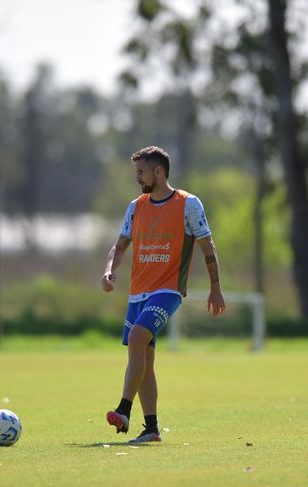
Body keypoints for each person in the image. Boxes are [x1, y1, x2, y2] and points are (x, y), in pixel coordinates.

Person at [101, 145, 226, 444]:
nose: (138, 178)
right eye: (136, 173)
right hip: (137, 294)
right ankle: (152, 429)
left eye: (141, 172)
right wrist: (109, 270)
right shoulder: (136, 206)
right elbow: (120, 246)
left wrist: (216, 288)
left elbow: (208, 247)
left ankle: (123, 409)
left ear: (159, 171)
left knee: (137, 338)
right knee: (144, 359)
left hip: (168, 290)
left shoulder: (189, 204)